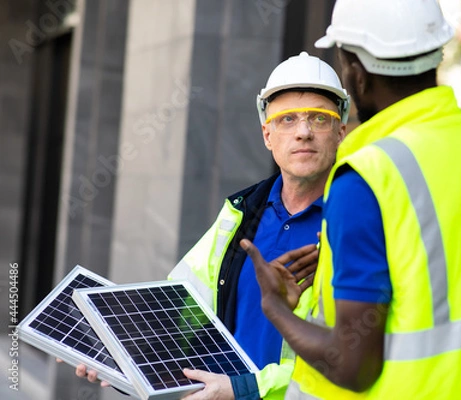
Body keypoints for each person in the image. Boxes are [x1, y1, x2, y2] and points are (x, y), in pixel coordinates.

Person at [242, 1, 461, 399]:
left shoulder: (365, 178)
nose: (304, 132)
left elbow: (352, 365)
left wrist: (274, 307)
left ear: (357, 76)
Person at [67, 52, 350, 400]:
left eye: (319, 119)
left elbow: (351, 353)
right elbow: (182, 305)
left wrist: (246, 390)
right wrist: (126, 354)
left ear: (341, 131)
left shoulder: (354, 221)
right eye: (287, 119)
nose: (303, 132)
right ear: (267, 134)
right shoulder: (241, 213)